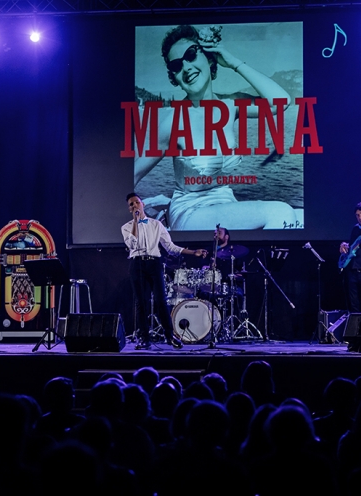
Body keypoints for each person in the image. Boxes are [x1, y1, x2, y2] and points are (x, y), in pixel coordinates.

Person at [136, 24, 297, 230]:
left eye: (191, 55)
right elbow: (133, 174)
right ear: (174, 77)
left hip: (224, 204)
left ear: (210, 58)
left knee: (295, 217)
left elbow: (281, 102)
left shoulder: (231, 104)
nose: (186, 68)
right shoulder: (172, 121)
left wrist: (233, 62)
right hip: (190, 211)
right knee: (281, 212)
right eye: (176, 66)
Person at [121, 192, 208, 349]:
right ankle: (144, 338)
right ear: (129, 209)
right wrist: (135, 222)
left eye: (137, 202)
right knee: (141, 302)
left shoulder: (156, 224)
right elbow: (132, 245)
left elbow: (170, 247)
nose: (134, 206)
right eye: (131, 204)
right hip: (137, 264)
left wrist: (193, 252)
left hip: (154, 263)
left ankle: (169, 336)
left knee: (161, 300)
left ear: (143, 204)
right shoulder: (126, 227)